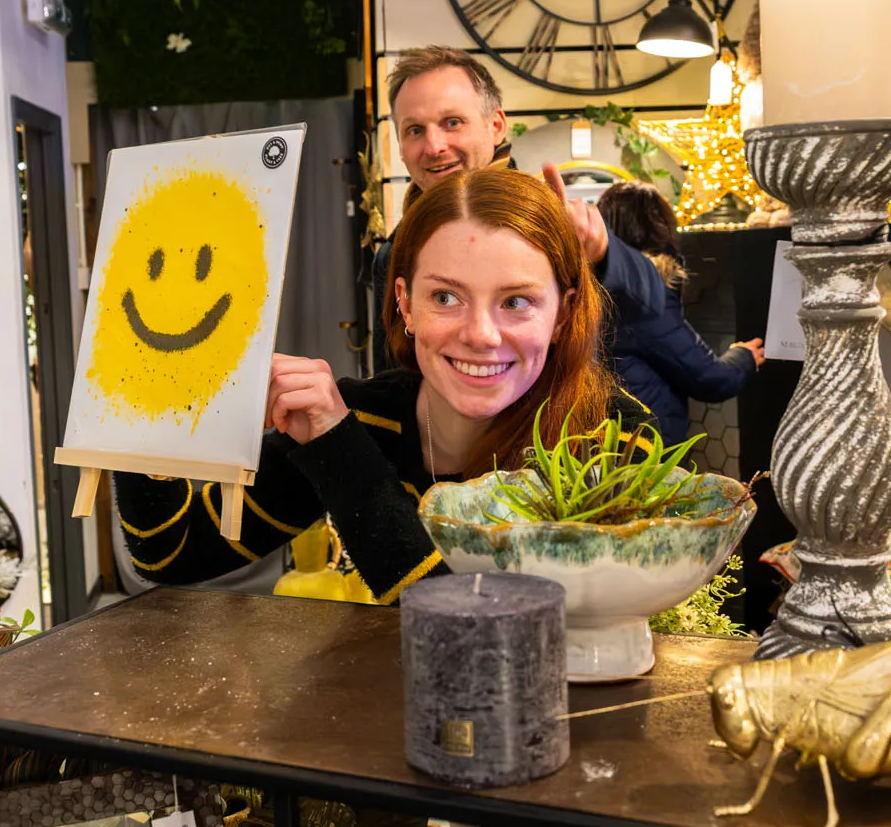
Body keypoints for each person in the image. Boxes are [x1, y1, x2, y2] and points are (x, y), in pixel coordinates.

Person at [116, 165, 650, 600]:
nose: (482, 335)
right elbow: (171, 555)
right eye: (446, 297)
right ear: (404, 304)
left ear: (562, 314)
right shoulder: (361, 420)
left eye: (517, 302)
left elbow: (470, 627)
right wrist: (138, 409)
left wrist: (340, 453)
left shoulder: (615, 438)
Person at [369, 45, 665, 372]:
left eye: (452, 122)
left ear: (496, 126)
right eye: (415, 130)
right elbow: (392, 372)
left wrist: (601, 251)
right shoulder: (395, 252)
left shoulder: (545, 219)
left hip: (546, 422)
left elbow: (652, 302)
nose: (435, 146)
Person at [594, 181, 764, 447]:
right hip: (643, 452)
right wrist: (743, 357)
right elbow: (710, 379)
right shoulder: (644, 294)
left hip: (599, 440)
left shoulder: (592, 285)